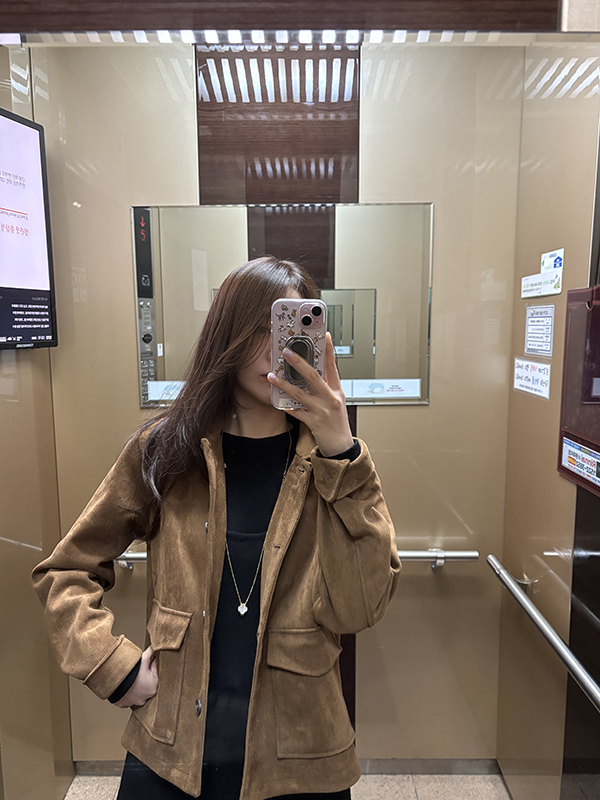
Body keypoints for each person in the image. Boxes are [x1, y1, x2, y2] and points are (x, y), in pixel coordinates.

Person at [32, 256, 401, 800]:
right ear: (225, 336)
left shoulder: (335, 464)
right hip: (170, 749)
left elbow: (360, 609)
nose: (276, 348)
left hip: (301, 756)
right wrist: (112, 666)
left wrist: (341, 452)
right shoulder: (167, 450)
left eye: (290, 328)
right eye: (261, 327)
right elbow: (66, 570)